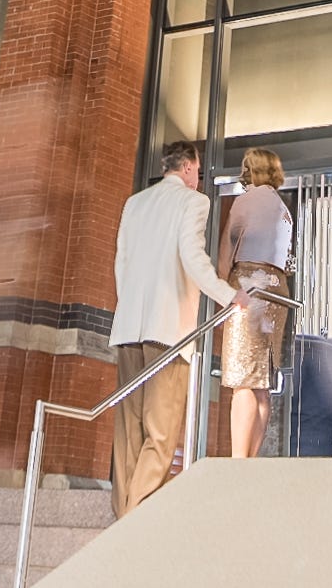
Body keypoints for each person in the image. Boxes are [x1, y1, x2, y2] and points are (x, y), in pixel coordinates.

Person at [107, 141, 235, 514]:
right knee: (161, 431)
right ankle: (140, 512)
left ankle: (122, 510)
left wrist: (128, 306)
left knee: (129, 428)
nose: (199, 177)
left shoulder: (136, 202)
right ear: (190, 166)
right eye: (198, 169)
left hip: (129, 327)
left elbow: (122, 263)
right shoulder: (193, 202)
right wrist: (228, 295)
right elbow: (192, 257)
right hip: (167, 330)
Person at [214, 149, 292, 459]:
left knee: (243, 379)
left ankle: (237, 461)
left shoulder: (245, 201)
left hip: (248, 282)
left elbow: (226, 252)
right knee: (262, 382)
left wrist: (221, 286)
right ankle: (251, 460)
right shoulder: (283, 208)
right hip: (277, 289)